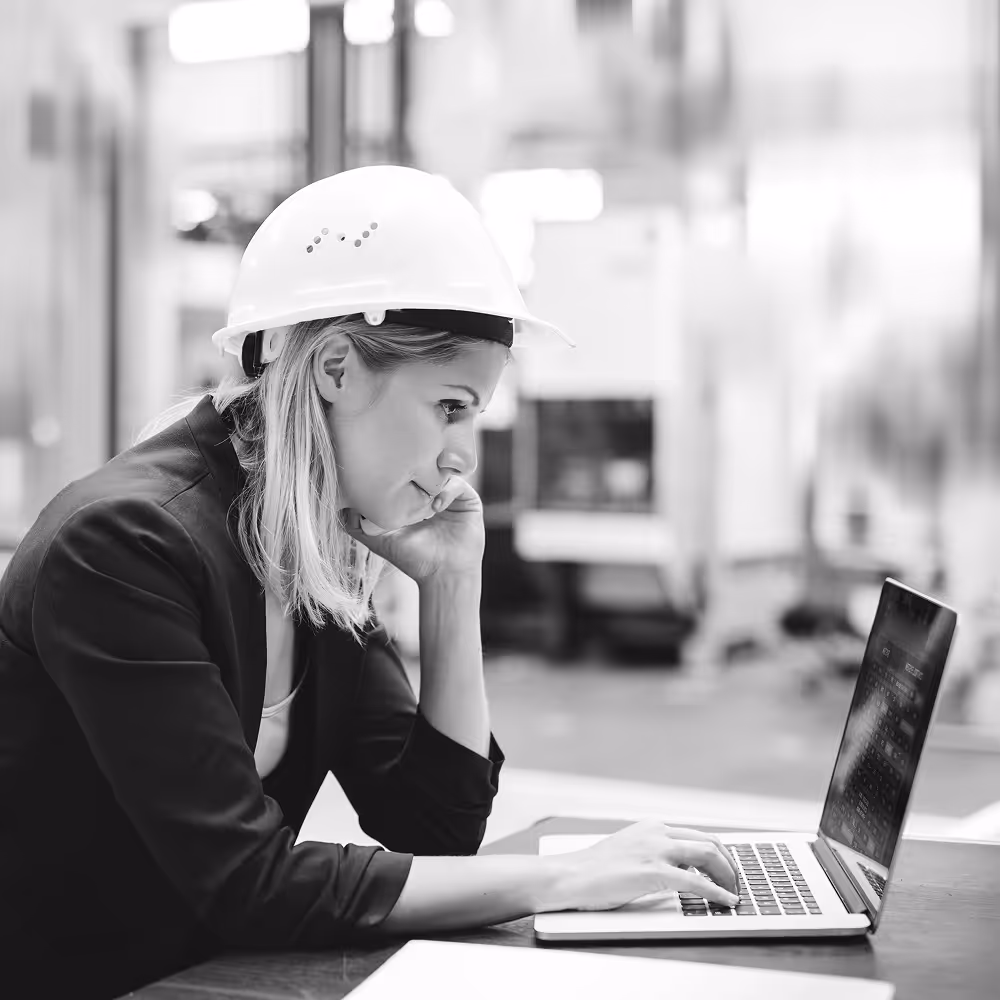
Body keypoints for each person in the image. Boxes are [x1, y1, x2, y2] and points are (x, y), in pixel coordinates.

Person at [0, 166, 738, 999]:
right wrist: (561, 880)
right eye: (451, 408)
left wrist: (454, 590)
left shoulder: (314, 540)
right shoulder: (123, 548)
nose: (464, 458)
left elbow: (434, 828)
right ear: (338, 369)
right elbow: (247, 882)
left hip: (211, 977)